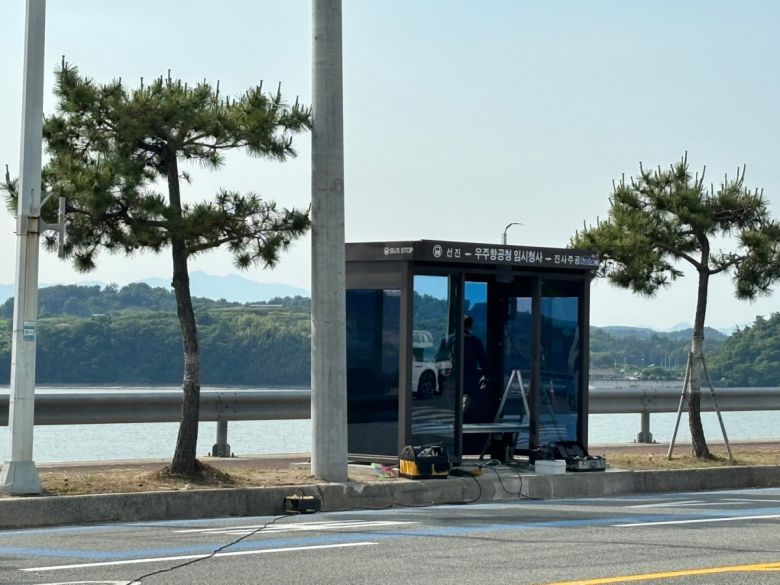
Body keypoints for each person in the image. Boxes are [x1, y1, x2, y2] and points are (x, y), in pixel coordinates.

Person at [462, 315, 490, 423]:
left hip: (453, 378)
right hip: (470, 377)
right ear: (469, 327)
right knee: (476, 399)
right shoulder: (476, 342)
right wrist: (486, 376)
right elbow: (483, 361)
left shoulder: (450, 341)